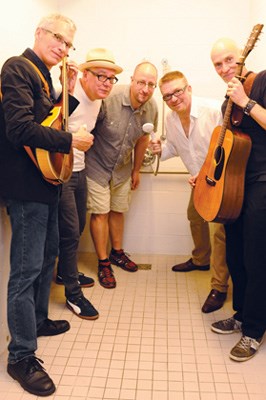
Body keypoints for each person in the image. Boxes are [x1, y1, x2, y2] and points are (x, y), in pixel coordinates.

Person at [0, 14, 93, 396]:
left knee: (48, 254)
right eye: (59, 38)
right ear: (39, 33)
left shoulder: (42, 75)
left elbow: (50, 120)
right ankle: (20, 356)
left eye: (69, 44)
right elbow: (19, 129)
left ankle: (37, 319)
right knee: (25, 270)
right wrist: (70, 143)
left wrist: (65, 94)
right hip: (26, 187)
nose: (64, 48)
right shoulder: (18, 68)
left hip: (46, 182)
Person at [150, 70, 230, 313]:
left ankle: (219, 287)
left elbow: (230, 147)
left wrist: (208, 172)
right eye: (167, 96)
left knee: (220, 234)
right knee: (194, 217)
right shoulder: (171, 120)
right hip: (199, 184)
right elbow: (175, 148)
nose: (174, 99)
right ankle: (200, 260)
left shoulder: (214, 111)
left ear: (189, 88)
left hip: (222, 182)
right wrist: (159, 149)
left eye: (178, 91)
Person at [209, 37, 266, 361]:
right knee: (236, 256)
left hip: (262, 181)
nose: (224, 68)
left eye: (229, 60)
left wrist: (246, 101)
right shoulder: (226, 101)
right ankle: (242, 314)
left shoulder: (261, 82)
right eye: (217, 64)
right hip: (236, 188)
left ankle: (255, 331)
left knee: (258, 259)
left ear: (243, 56)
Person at [56, 48, 123, 318]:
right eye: (101, 76)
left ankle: (65, 272)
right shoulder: (68, 93)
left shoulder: (99, 101)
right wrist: (65, 90)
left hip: (80, 170)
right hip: (61, 172)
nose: (107, 83)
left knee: (79, 226)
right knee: (71, 231)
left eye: (111, 78)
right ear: (84, 74)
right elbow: (49, 128)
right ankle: (73, 294)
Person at [86, 61, 158, 289]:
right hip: (96, 166)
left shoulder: (152, 107)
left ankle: (117, 253)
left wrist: (136, 170)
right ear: (132, 80)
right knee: (101, 213)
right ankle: (103, 262)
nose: (145, 89)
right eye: (141, 82)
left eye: (151, 84)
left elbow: (143, 139)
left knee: (118, 210)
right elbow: (88, 129)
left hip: (122, 170)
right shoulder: (110, 98)